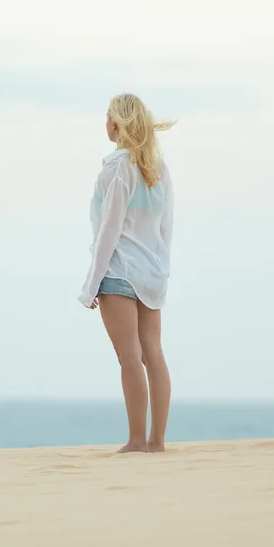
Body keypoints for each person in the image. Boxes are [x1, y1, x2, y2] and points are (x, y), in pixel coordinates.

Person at [78, 93, 176, 453]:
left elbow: (109, 230)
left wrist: (91, 286)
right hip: (152, 272)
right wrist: (161, 271)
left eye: (106, 118)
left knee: (130, 357)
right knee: (154, 354)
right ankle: (156, 442)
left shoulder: (117, 167)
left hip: (119, 273)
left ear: (116, 125)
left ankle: (137, 441)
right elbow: (166, 228)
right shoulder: (159, 169)